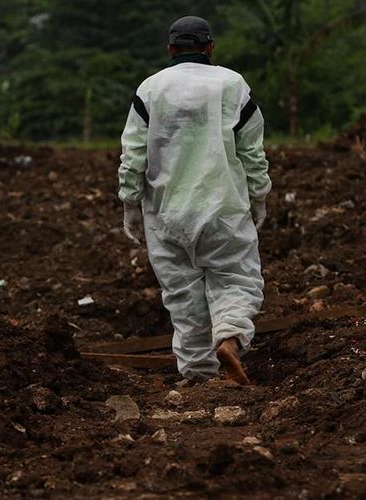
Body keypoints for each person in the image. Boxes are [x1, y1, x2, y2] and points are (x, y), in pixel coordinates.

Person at [117, 16, 271, 385]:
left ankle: (199, 375)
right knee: (235, 278)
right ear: (210, 47)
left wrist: (129, 203)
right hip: (223, 208)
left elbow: (132, 152)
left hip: (167, 213)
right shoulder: (233, 85)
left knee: (183, 295)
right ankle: (230, 339)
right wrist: (259, 195)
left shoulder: (150, 89)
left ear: (170, 49)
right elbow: (252, 151)